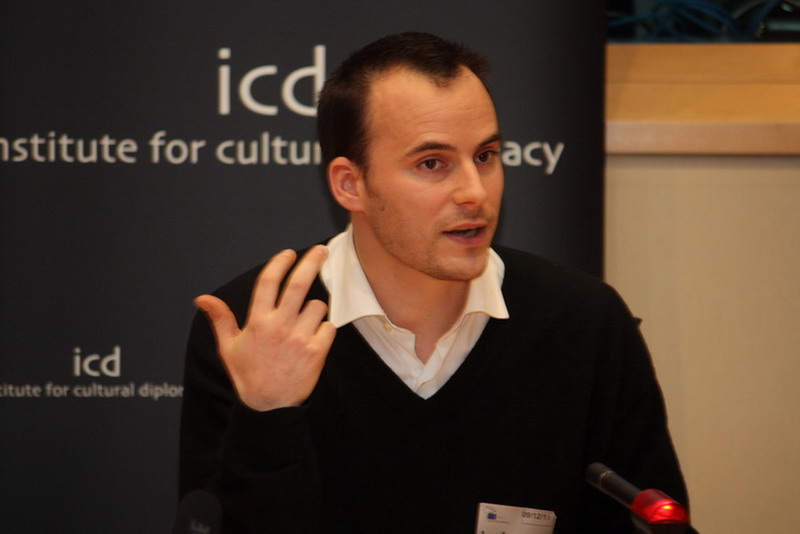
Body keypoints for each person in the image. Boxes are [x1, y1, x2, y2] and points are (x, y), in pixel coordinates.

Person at [179, 32, 690, 533]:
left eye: (485, 156)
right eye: (432, 164)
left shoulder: (585, 323)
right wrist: (268, 415)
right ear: (350, 184)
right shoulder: (255, 332)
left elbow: (655, 520)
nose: (474, 192)